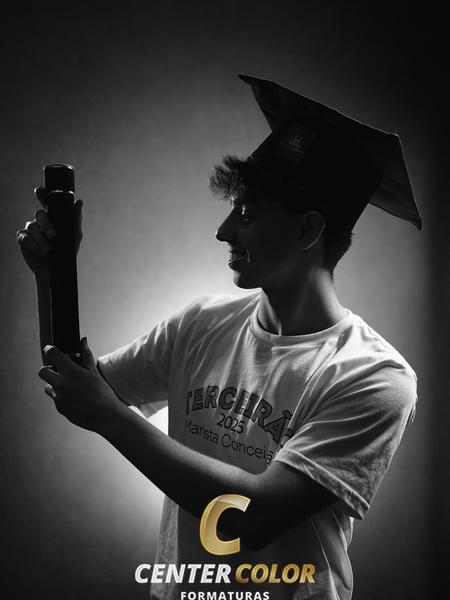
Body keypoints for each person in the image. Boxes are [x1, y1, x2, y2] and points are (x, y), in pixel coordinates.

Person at [16, 75, 421, 600]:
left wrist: (111, 418)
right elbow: (75, 386)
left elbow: (250, 519)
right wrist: (53, 276)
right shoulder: (201, 324)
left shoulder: (376, 377)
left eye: (246, 214)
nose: (224, 231)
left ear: (308, 230)